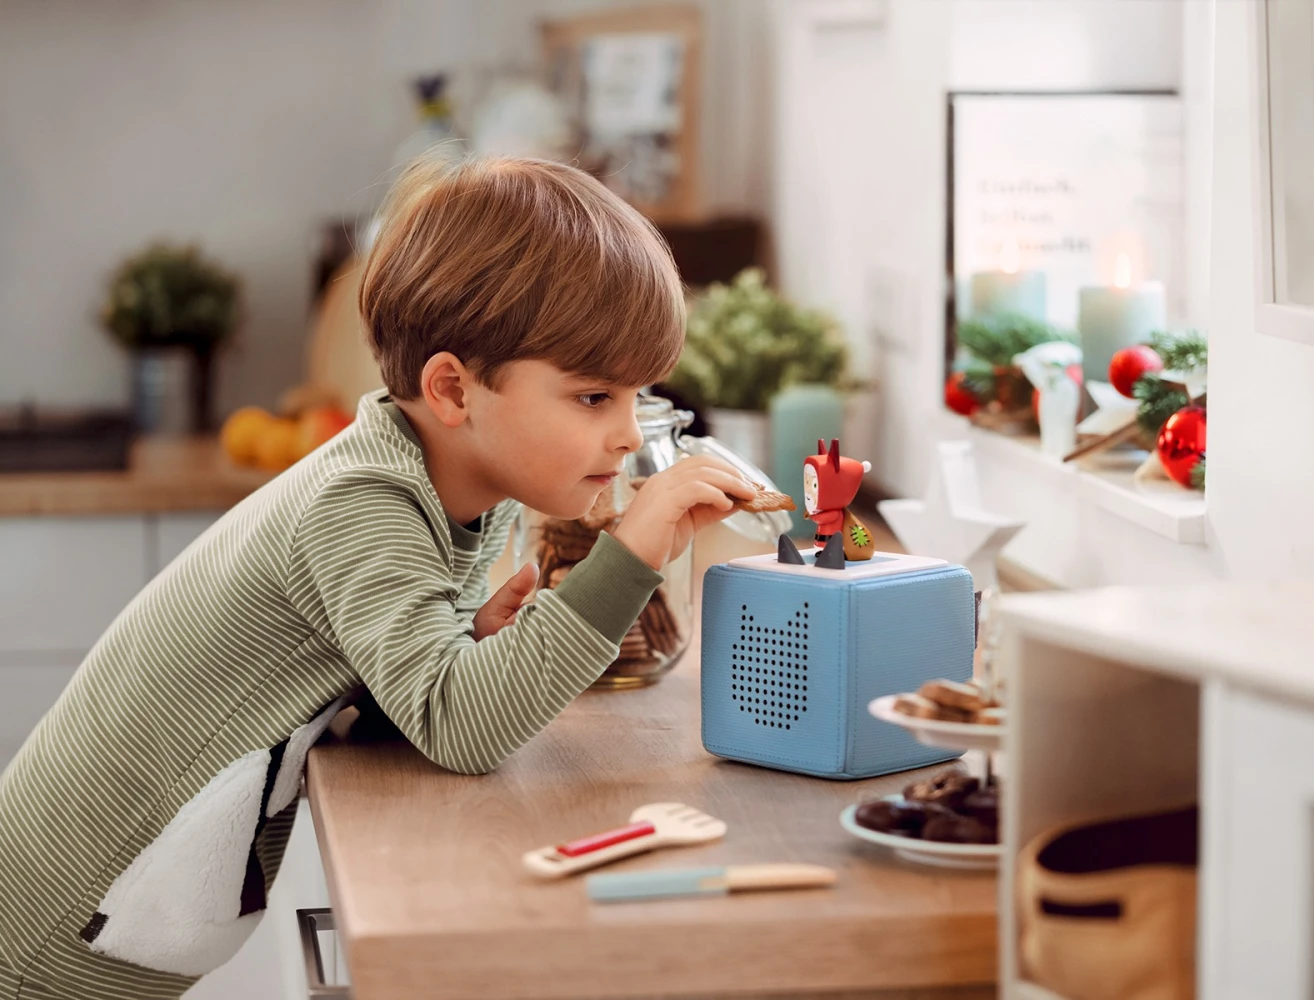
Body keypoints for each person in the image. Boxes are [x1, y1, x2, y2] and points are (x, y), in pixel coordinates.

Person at [0, 150, 754, 999]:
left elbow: (407, 692)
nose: (626, 434)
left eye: (636, 396)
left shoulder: (467, 485)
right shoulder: (363, 501)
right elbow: (461, 728)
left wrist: (465, 645)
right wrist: (631, 556)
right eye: (593, 398)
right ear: (453, 390)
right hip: (47, 931)